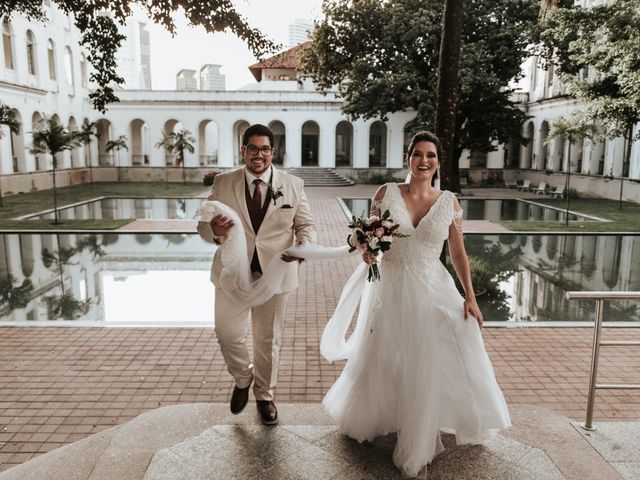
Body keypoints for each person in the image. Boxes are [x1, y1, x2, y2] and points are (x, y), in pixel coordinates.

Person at [322, 131, 510, 477]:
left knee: (442, 347)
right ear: (408, 157)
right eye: (418, 154)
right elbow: (369, 240)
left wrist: (470, 295)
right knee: (386, 353)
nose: (424, 161)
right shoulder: (386, 193)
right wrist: (367, 251)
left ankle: (427, 424)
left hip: (433, 284)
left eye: (431, 156)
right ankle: (386, 416)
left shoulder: (449, 201)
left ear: (438, 162)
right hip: (390, 286)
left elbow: (457, 252)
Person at [197, 123, 316, 425]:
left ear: (272, 152)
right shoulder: (224, 183)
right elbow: (202, 223)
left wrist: (303, 245)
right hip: (231, 274)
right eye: (253, 148)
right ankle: (242, 378)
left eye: (265, 149)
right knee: (227, 333)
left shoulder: (293, 184)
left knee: (268, 340)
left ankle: (265, 395)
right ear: (244, 150)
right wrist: (212, 231)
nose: (259, 155)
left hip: (275, 276)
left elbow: (306, 225)